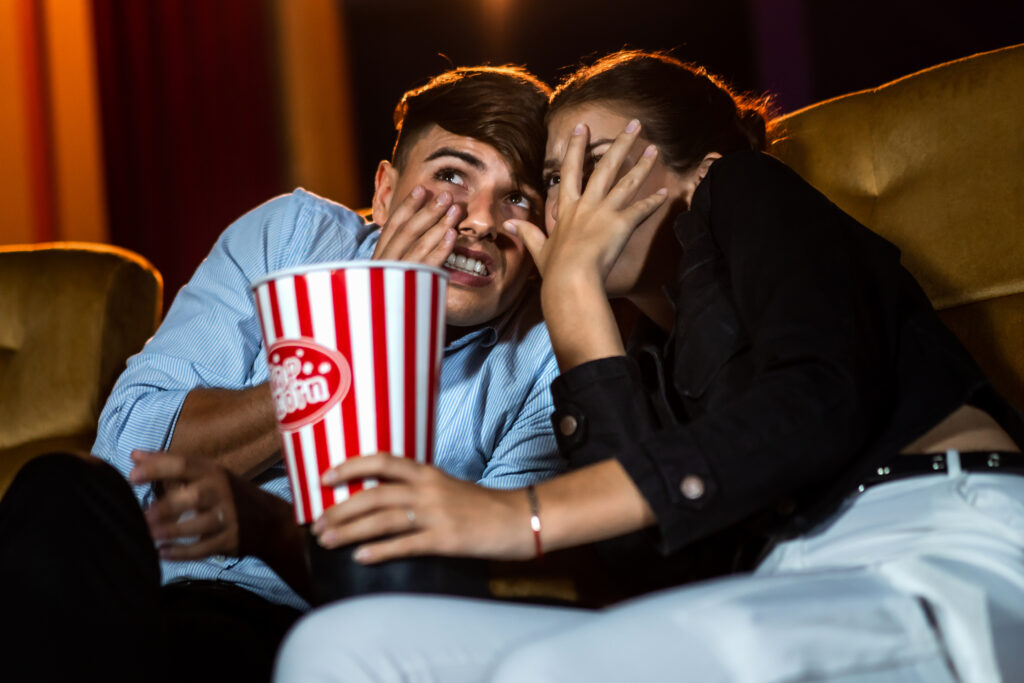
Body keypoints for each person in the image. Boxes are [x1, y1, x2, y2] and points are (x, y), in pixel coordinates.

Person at [274, 50, 1024, 682]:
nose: (564, 208)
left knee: (548, 674)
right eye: (556, 180)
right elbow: (641, 564)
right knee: (337, 649)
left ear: (692, 173)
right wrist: (578, 319)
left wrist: (518, 516)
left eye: (594, 168)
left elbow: (816, 403)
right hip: (775, 587)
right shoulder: (632, 344)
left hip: (930, 545)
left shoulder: (747, 192)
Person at [0, 65, 565, 682]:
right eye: (451, 176)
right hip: (132, 591)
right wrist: (363, 332)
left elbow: (478, 601)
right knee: (60, 487)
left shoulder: (540, 354)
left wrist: (276, 529)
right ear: (384, 191)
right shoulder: (291, 234)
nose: (479, 222)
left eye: (517, 200)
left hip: (302, 633)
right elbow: (127, 450)